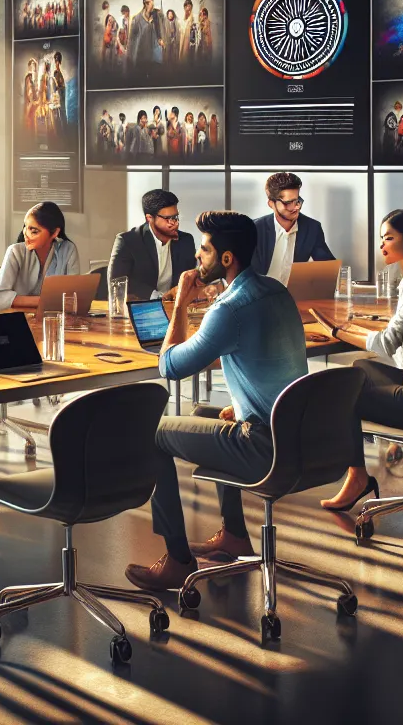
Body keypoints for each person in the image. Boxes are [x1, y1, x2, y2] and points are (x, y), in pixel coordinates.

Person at [123, 211, 309, 588]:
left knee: (153, 432)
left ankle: (176, 559)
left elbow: (169, 366)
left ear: (226, 259)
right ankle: (234, 534)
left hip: (263, 446)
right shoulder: (277, 291)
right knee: (204, 412)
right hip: (300, 434)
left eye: (204, 251)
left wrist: (179, 304)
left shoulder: (229, 309)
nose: (197, 257)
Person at [309, 209, 403, 509]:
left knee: (345, 396)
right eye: (382, 239)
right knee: (360, 368)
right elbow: (394, 337)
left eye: (389, 238)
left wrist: (340, 331)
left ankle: (358, 477)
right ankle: (377, 445)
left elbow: (387, 342)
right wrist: (352, 328)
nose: (382, 245)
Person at [109, 188, 197, 302]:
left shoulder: (186, 241)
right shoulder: (128, 241)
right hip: (142, 309)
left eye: (175, 217)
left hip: (176, 308)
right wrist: (159, 297)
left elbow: (190, 280)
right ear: (149, 218)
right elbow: (117, 282)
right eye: (168, 218)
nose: (175, 223)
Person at [0, 201, 80, 311]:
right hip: (18, 320)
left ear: (54, 233)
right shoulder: (15, 252)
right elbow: (0, 298)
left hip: (54, 319)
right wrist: (46, 301)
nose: (26, 234)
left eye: (33, 231)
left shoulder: (68, 250)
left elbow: (74, 297)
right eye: (25, 227)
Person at [252, 172, 336, 286]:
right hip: (259, 296)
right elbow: (243, 273)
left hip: (294, 298)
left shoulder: (312, 228)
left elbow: (328, 268)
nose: (296, 207)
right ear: (271, 204)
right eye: (288, 203)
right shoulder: (255, 229)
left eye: (297, 201)